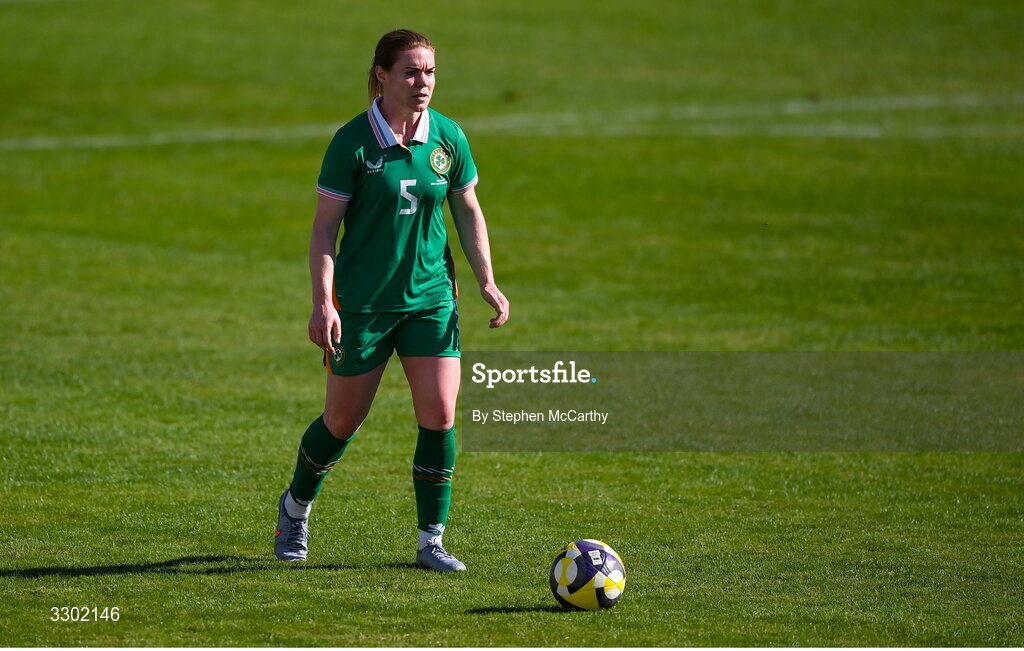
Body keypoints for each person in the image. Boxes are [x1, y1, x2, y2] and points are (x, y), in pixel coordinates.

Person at [274, 29, 509, 572]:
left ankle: (431, 541)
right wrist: (323, 303)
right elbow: (323, 231)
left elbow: (467, 210)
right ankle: (295, 508)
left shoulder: (447, 137)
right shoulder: (352, 143)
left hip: (430, 299)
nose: (422, 82)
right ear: (382, 74)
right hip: (363, 306)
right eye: (410, 71)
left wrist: (486, 281)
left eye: (429, 71)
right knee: (342, 421)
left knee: (441, 413)